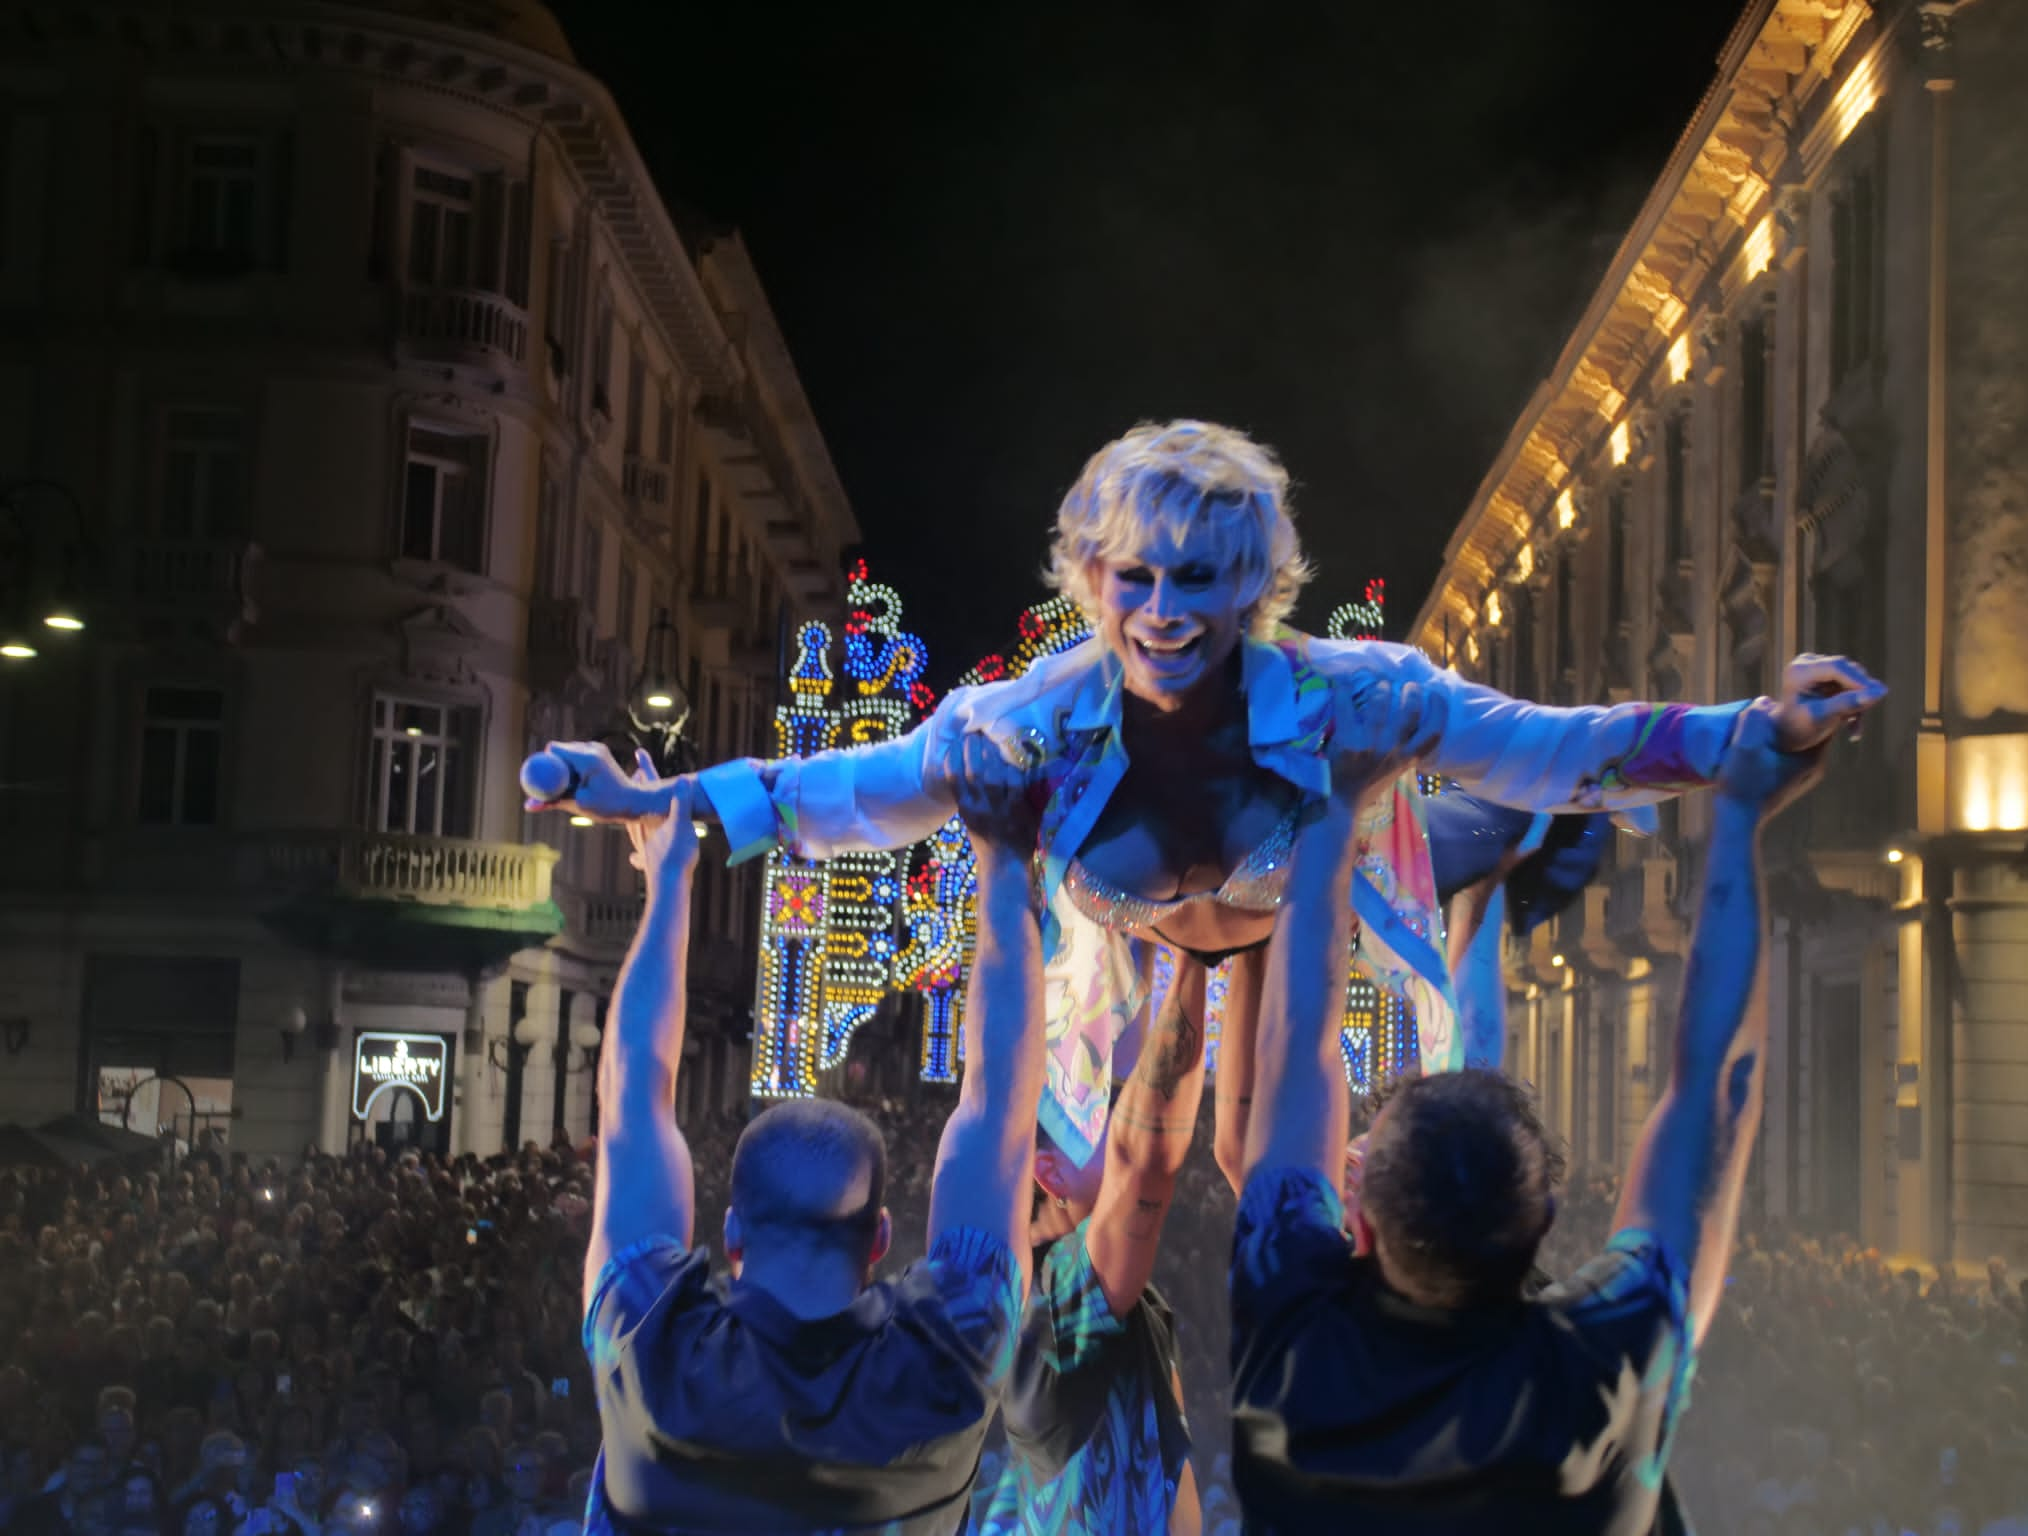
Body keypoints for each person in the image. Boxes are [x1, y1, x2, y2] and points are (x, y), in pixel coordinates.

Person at [527, 419, 1879, 1185]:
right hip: (1132, 961)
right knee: (1078, 1190)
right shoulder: (1026, 726)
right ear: (1090, 580)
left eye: (1201, 580)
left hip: (1327, 903)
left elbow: (1541, 742)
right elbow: (838, 796)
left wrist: (1750, 732)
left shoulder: (1354, 697)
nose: (1167, 614)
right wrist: (657, 798)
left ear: (1254, 585)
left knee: (1300, 1174)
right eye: (1137, 579)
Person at [1228, 681, 1840, 1533]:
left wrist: (1338, 803)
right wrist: (1739, 820)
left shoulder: (1295, 1349)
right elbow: (1715, 1096)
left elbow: (1295, 1052)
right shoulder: (1599, 1374)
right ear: (1543, 1221)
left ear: (1357, 1226)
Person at [579, 741, 1050, 1533]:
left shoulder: (652, 1353)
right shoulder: (946, 1369)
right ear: (882, 1237)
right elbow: (1000, 1105)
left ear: (730, 1230)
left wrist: (668, 883)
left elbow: (632, 1097)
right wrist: (1003, 858)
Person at [981, 953, 1212, 1534]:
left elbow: (1130, 1070)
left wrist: (1142, 922)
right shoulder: (1059, 1291)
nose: (1122, 1124)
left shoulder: (1048, 1285)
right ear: (1050, 1173)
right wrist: (1196, 953)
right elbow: (1145, 1159)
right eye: (1101, 1121)